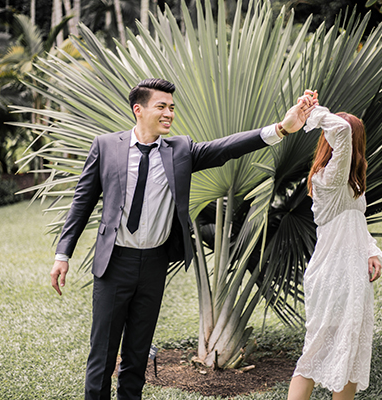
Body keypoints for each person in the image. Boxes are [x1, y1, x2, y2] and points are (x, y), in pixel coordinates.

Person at [49, 78, 318, 400]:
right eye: (161, 106)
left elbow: (227, 148)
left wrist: (283, 128)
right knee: (102, 354)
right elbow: (82, 202)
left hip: (153, 264)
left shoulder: (180, 151)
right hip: (114, 262)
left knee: (137, 352)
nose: (168, 114)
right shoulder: (106, 146)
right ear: (139, 109)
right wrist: (62, 254)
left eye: (172, 108)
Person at [286, 100, 382, 400]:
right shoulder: (328, 178)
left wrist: (373, 252)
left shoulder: (352, 184)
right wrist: (314, 112)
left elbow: (358, 225)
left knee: (351, 349)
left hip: (353, 275)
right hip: (333, 275)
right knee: (315, 351)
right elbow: (342, 129)